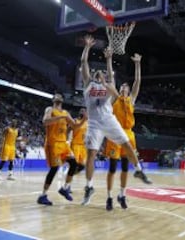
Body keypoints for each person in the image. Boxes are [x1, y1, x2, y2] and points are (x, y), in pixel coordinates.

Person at [80, 35, 152, 206]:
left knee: (127, 145)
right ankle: (90, 187)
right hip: (95, 124)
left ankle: (139, 171)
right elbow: (84, 63)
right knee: (91, 154)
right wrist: (87, 47)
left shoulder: (110, 89)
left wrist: (109, 60)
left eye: (102, 73)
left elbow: (116, 89)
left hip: (110, 121)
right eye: (97, 73)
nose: (99, 74)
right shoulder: (88, 84)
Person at [105, 53, 142, 211]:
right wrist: (108, 60)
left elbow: (137, 81)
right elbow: (110, 80)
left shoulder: (131, 99)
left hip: (128, 134)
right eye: (122, 86)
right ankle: (109, 197)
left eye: (126, 86)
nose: (124, 87)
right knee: (112, 168)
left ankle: (122, 194)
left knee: (125, 168)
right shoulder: (115, 97)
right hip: (115, 133)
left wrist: (137, 64)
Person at [37, 93, 87, 205]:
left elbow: (75, 127)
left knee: (74, 164)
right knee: (54, 169)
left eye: (60, 96)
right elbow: (45, 122)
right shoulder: (50, 109)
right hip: (52, 143)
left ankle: (65, 188)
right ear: (53, 99)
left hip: (63, 143)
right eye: (56, 96)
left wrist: (84, 120)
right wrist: (60, 117)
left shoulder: (65, 113)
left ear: (63, 100)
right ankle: (43, 195)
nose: (59, 97)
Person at [69, 107, 88, 174]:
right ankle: (70, 175)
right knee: (74, 163)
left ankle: (73, 173)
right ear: (79, 112)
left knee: (83, 164)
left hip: (83, 145)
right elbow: (69, 129)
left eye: (84, 111)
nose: (82, 112)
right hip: (75, 144)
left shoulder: (87, 122)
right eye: (81, 111)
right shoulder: (75, 120)